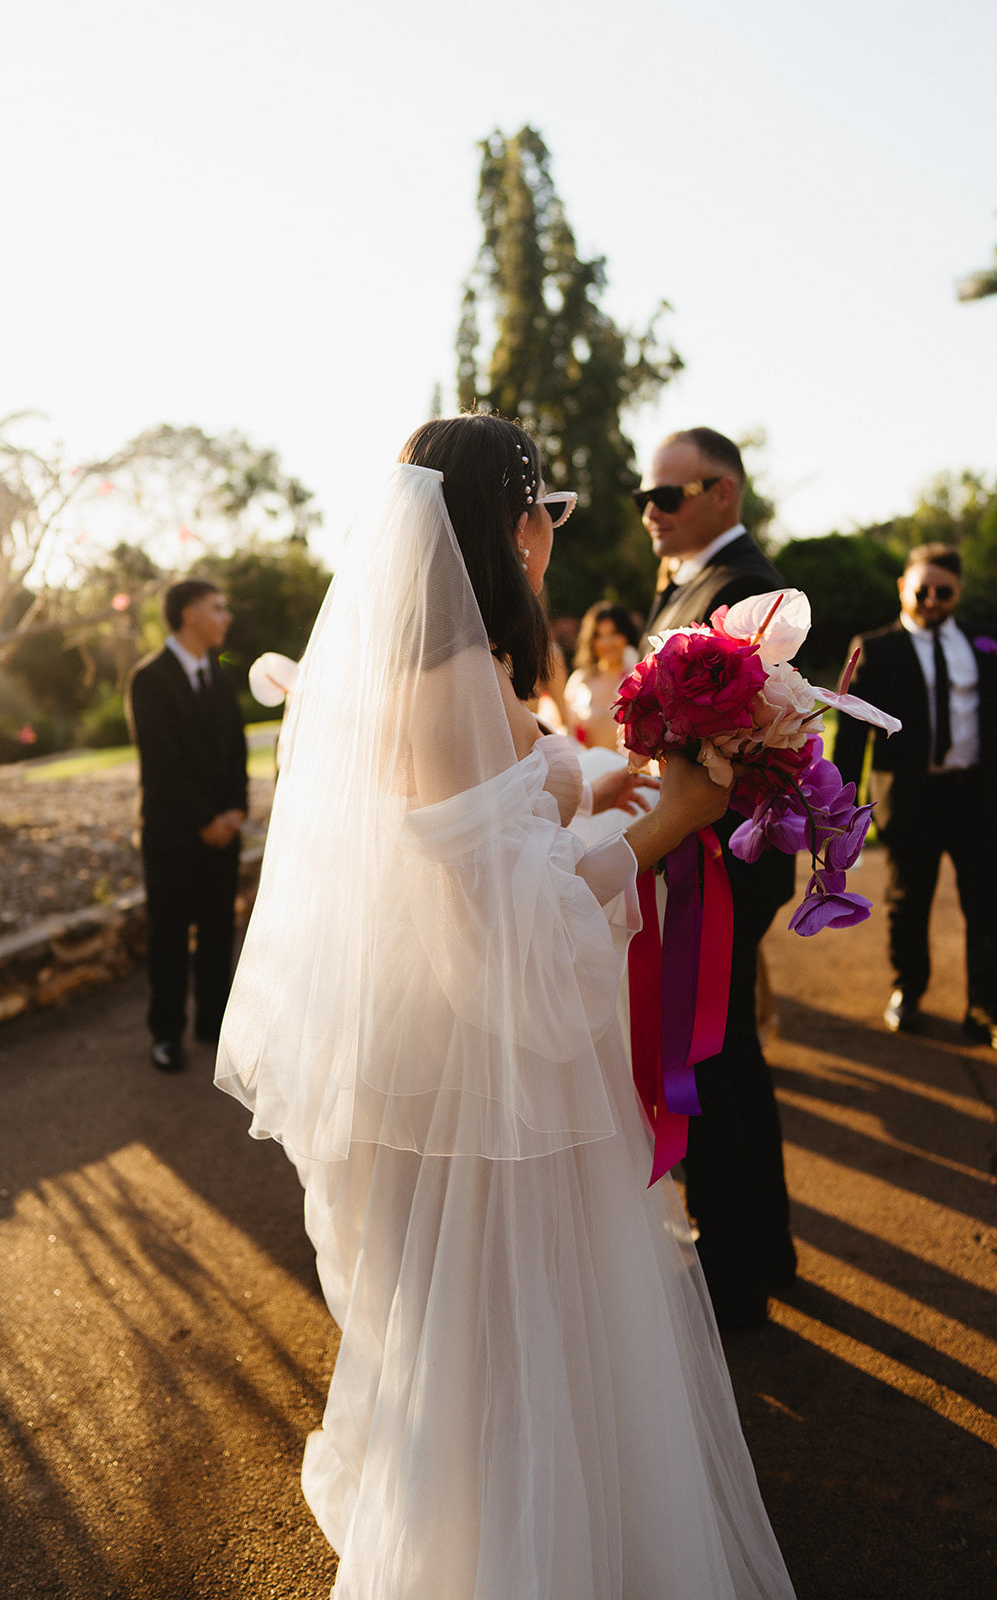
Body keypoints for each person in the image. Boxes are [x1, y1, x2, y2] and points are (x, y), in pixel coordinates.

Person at [216, 414, 796, 1599]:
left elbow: (497, 791)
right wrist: (668, 822)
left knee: (502, 1356)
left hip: (467, 1068)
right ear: (509, 525)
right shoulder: (445, 678)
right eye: (542, 518)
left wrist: (595, 772)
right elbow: (509, 932)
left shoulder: (450, 666)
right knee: (512, 1354)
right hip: (495, 1089)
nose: (546, 542)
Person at [633, 426, 797, 1331]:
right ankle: (762, 1245)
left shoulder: (743, 592)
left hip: (721, 856)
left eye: (667, 495)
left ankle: (737, 1273)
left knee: (709, 1059)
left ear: (723, 491)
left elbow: (735, 743)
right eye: (643, 498)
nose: (649, 513)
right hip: (701, 847)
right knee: (726, 1052)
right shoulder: (695, 582)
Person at [832, 543, 997, 1044]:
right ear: (903, 587)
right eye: (920, 589)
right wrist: (841, 804)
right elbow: (854, 730)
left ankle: (985, 1005)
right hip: (911, 797)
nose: (929, 599)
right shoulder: (876, 648)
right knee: (909, 901)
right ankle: (909, 988)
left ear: (957, 593)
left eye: (941, 591)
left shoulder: (984, 641)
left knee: (987, 903)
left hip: (977, 796)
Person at [127, 579, 248, 1072]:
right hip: (173, 835)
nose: (227, 617)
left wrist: (236, 808)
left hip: (225, 830)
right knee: (170, 935)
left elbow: (236, 749)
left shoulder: (220, 674)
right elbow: (161, 763)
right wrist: (204, 819)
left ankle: (214, 1024)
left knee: (220, 930)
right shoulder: (149, 678)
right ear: (187, 614)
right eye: (217, 608)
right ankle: (167, 1033)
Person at [564, 602, 641, 749]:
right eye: (600, 636)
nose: (607, 643)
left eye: (614, 634)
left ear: (626, 635)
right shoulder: (579, 680)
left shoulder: (638, 679)